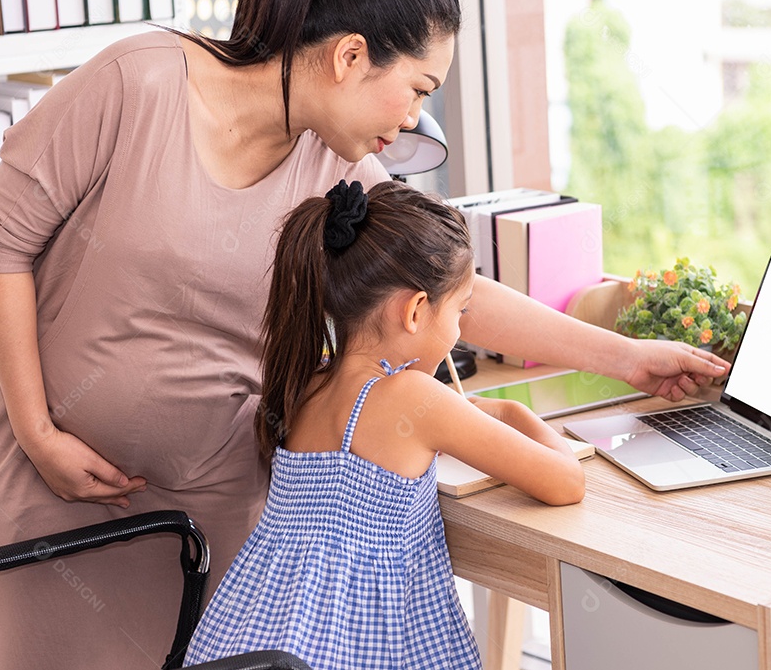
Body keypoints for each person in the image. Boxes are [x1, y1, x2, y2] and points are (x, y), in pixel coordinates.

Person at [0, 0, 727, 666]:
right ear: (348, 57)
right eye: (419, 88)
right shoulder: (137, 83)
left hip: (219, 524)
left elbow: (444, 286)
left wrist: (627, 355)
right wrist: (39, 429)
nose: (413, 121)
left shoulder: (331, 164)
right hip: (51, 491)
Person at [184, 179, 584, 668]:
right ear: (416, 310)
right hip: (364, 646)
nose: (459, 330)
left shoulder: (302, 383)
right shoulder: (416, 397)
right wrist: (516, 412)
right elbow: (565, 482)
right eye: (460, 311)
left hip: (256, 638)